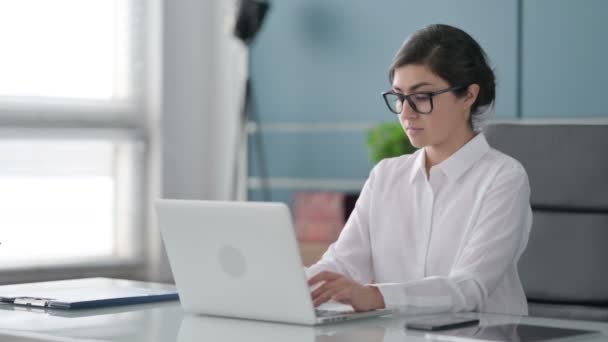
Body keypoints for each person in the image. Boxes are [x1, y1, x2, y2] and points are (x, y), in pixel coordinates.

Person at [306, 24, 532, 316]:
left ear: (468, 96)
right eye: (399, 97)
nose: (406, 112)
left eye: (422, 97)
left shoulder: (503, 178)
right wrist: (297, 283)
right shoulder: (386, 175)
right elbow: (342, 263)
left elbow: (470, 287)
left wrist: (375, 296)